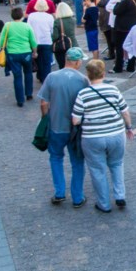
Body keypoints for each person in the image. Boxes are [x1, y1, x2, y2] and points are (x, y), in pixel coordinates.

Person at [71, 59, 134, 213]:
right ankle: (120, 195)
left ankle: (104, 204)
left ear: (88, 75)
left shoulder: (83, 94)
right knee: (117, 164)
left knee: (97, 169)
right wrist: (129, 127)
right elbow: (124, 111)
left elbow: (75, 120)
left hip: (92, 137)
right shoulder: (113, 90)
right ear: (103, 73)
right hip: (116, 134)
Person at [39, 47, 89, 207]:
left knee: (55, 158)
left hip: (56, 126)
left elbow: (44, 102)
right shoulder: (82, 80)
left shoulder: (52, 77)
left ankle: (59, 192)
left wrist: (45, 118)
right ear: (76, 62)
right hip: (75, 129)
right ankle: (77, 197)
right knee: (77, 162)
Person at [0, 7, 39, 107]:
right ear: (22, 15)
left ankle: (20, 100)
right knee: (28, 73)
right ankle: (29, 93)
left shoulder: (7, 25)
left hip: (13, 54)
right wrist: (35, 52)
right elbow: (33, 41)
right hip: (26, 53)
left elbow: (1, 41)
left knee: (17, 76)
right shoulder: (27, 26)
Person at [29, 0, 56, 83]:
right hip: (46, 40)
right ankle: (46, 77)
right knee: (47, 61)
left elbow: (29, 28)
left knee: (38, 60)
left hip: (35, 40)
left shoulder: (31, 16)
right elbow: (52, 29)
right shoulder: (49, 16)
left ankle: (40, 75)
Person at [51, 2, 78, 70]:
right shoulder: (73, 20)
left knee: (62, 66)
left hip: (62, 47)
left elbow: (55, 36)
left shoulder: (57, 21)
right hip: (73, 44)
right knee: (73, 66)